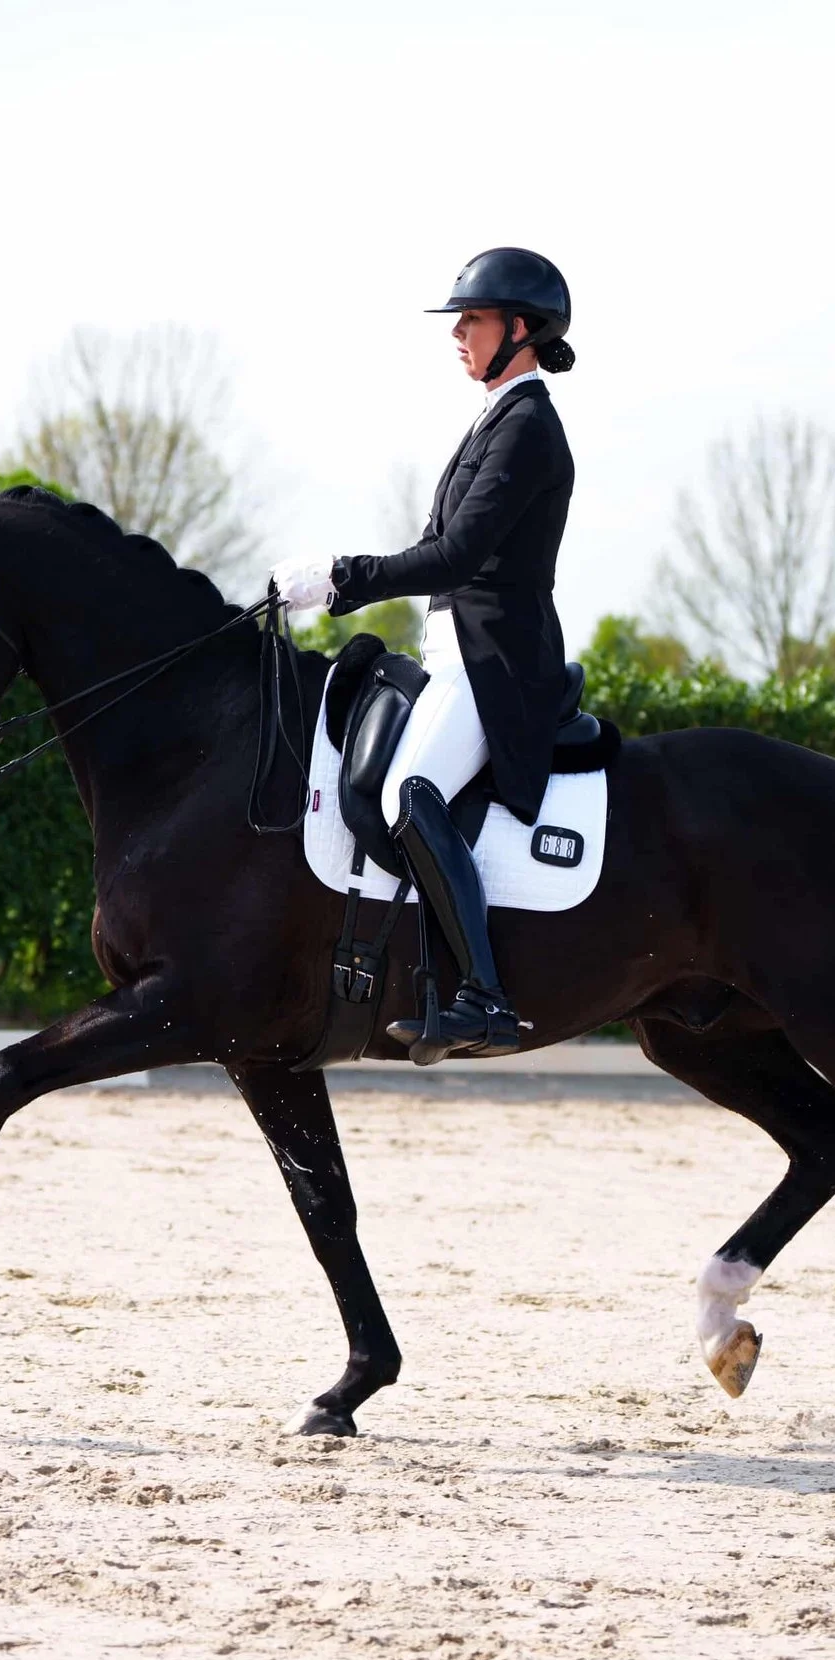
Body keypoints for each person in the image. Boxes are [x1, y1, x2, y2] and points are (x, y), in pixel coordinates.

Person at [271, 247, 578, 1064]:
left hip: (496, 661)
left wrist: (341, 577)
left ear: (520, 328)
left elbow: (455, 556)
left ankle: (485, 995)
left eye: (472, 319)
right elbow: (434, 548)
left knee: (413, 790)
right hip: (453, 652)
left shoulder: (528, 427)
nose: (458, 333)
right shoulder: (494, 421)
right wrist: (338, 586)